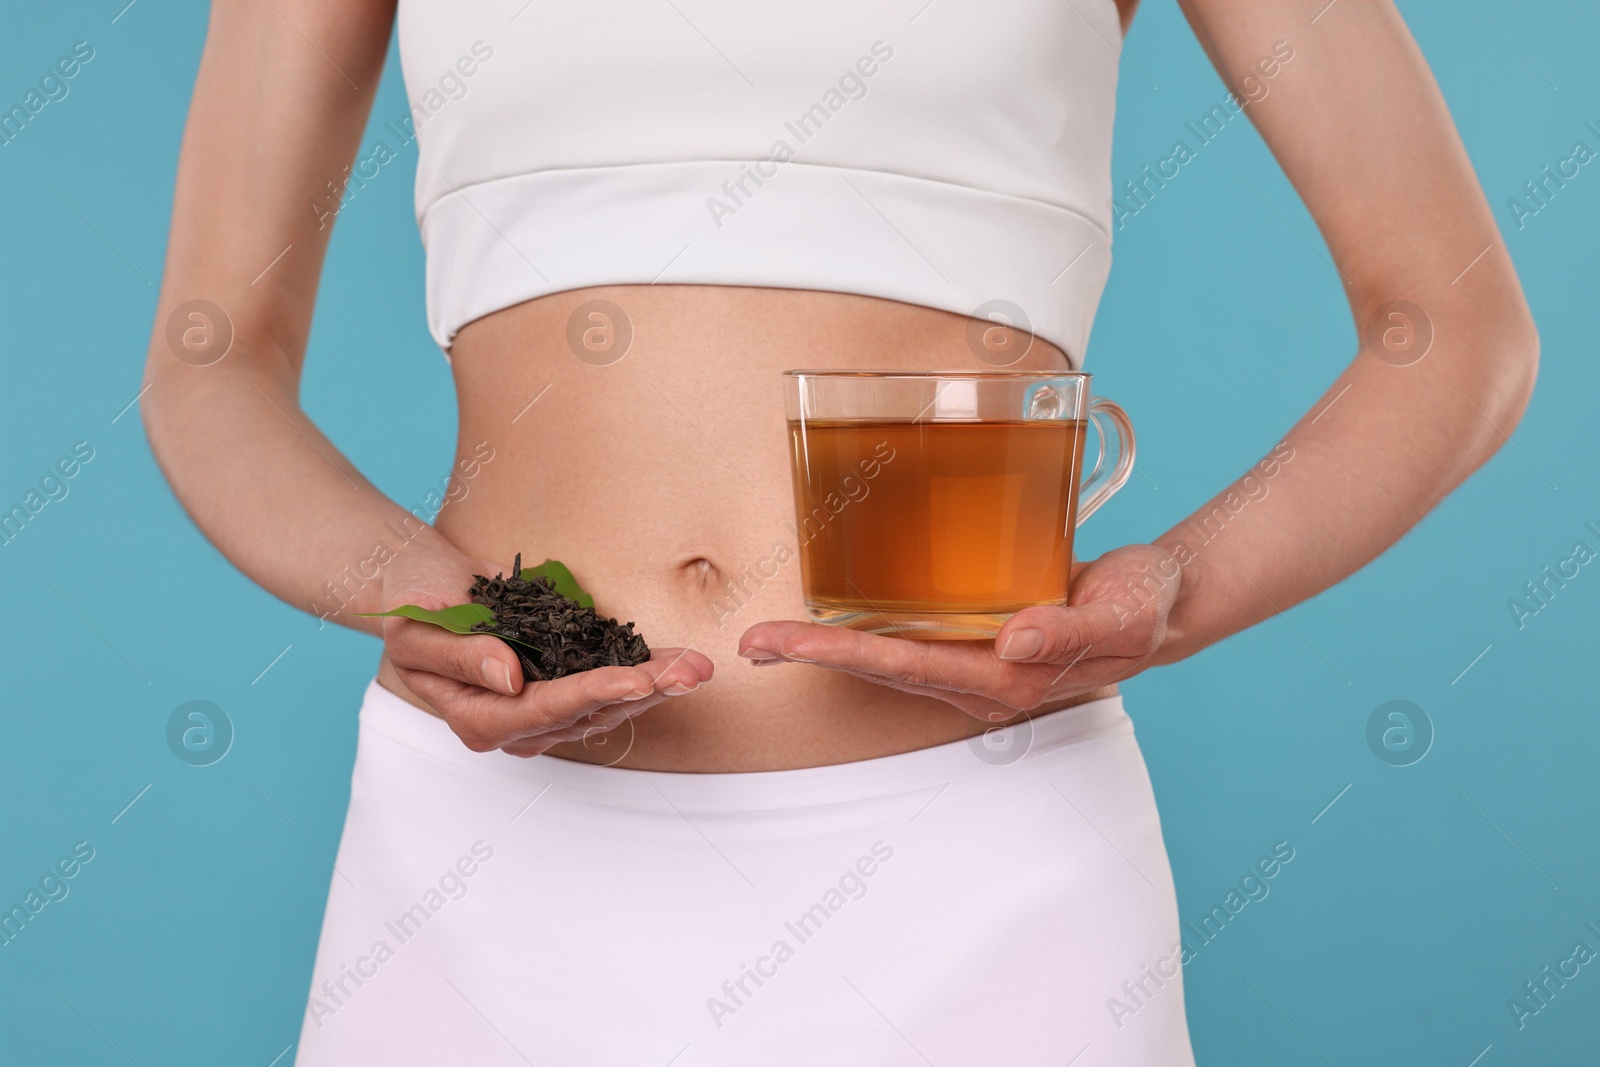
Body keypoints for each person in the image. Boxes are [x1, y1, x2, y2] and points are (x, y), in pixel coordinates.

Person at [142, 0, 1536, 1062]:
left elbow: (1454, 322)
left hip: (981, 857)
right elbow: (212, 360)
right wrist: (406, 590)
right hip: (483, 853)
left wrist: (1173, 589)